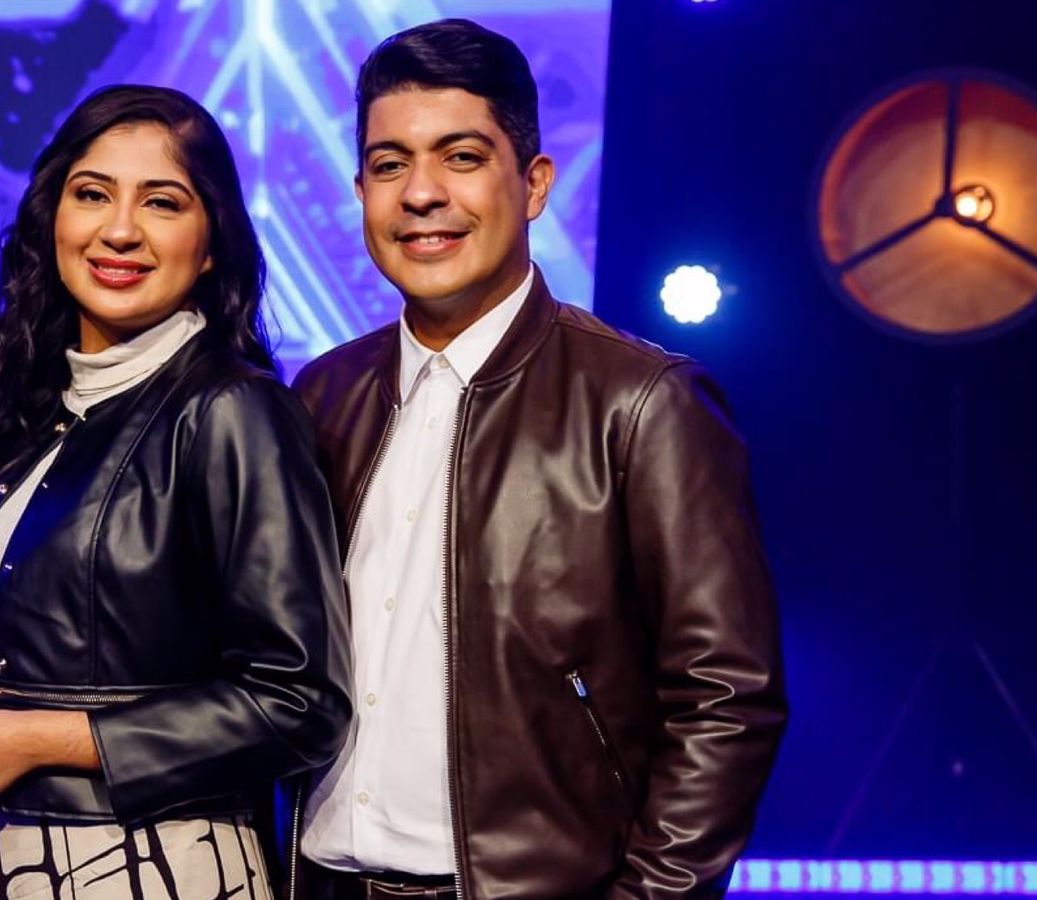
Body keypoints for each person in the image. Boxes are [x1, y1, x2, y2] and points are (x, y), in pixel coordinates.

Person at [289, 19, 787, 899]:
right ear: (361, 191)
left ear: (534, 184)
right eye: (390, 164)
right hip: (322, 880)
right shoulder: (324, 395)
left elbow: (726, 698)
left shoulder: (641, 402)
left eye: (462, 157)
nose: (422, 194)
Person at [0, 84, 352, 900]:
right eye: (92, 194)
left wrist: (30, 740)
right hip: (4, 861)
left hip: (161, 864)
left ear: (212, 244)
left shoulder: (233, 410)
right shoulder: (24, 424)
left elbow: (299, 702)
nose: (119, 230)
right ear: (52, 217)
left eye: (162, 202)